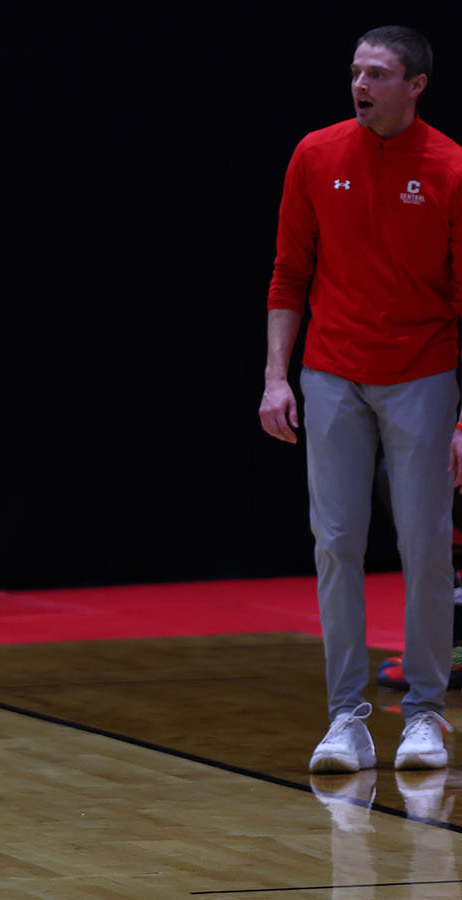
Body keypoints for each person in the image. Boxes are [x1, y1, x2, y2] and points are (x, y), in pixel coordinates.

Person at [258, 25, 462, 773]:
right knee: (336, 545)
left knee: (425, 548)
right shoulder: (316, 154)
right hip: (333, 372)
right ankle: (345, 717)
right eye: (355, 72)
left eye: (378, 73)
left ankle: (424, 714)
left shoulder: (451, 169)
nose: (361, 85)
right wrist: (278, 377)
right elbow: (289, 274)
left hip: (421, 373)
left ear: (416, 85)